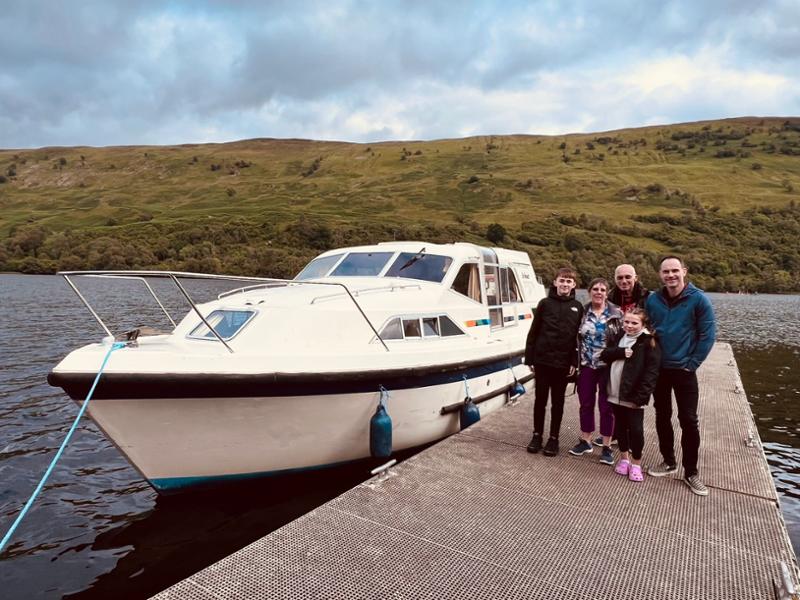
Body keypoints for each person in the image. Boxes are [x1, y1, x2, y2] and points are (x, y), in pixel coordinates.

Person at [645, 256, 716, 496]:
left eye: (675, 270)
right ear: (660, 274)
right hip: (660, 370)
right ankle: (668, 461)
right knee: (662, 415)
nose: (671, 275)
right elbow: (646, 330)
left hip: (685, 370)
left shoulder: (698, 300)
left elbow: (707, 335)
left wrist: (692, 363)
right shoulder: (653, 300)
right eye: (666, 272)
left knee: (689, 420)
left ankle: (691, 472)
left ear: (684, 271)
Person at [524, 267, 584, 457]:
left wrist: (575, 361)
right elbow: (533, 331)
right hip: (542, 360)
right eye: (562, 280)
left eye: (569, 281)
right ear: (555, 282)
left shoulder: (578, 307)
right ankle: (537, 435)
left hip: (563, 363)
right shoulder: (544, 303)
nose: (565, 284)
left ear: (574, 285)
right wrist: (530, 357)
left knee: (558, 403)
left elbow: (577, 338)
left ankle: (553, 438)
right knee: (540, 400)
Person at [600, 308, 661, 482]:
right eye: (627, 322)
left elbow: (651, 373)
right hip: (614, 391)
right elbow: (605, 355)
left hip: (633, 396)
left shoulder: (648, 342)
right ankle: (624, 459)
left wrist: (640, 397)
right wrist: (620, 352)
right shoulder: (618, 337)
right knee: (620, 428)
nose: (629, 326)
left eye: (634, 323)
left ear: (643, 324)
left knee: (635, 430)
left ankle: (636, 463)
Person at [568, 278, 623, 465]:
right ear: (589, 291)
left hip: (607, 367)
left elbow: (624, 339)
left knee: (607, 408)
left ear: (607, 293)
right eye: (595, 289)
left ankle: (607, 446)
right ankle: (586, 440)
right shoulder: (582, 313)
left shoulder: (616, 314)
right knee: (586, 404)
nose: (599, 292)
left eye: (602, 289)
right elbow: (574, 339)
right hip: (586, 365)